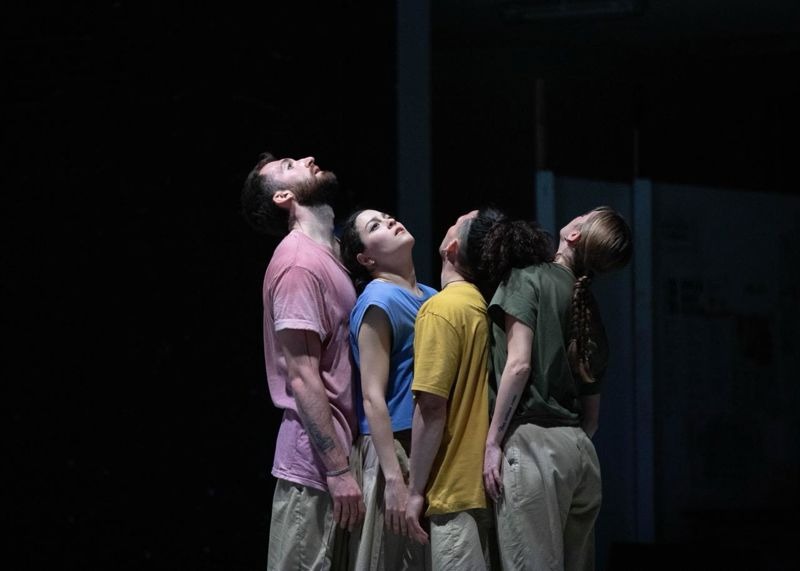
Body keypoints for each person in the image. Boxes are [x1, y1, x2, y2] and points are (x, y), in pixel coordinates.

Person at [477, 206, 632, 571]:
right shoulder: (587, 307)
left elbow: (519, 365)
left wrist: (492, 442)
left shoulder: (526, 278)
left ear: (574, 234)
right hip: (579, 453)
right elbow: (592, 417)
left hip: (534, 447)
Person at [403, 208, 551, 569]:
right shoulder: (486, 308)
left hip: (454, 487)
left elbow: (431, 407)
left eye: (456, 222)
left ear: (451, 247)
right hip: (491, 488)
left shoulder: (441, 309)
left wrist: (414, 491)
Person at [241, 152, 365, 570]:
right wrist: (336, 470)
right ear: (283, 197)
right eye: (290, 165)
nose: (308, 159)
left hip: (345, 462)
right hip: (315, 469)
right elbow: (302, 376)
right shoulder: (298, 264)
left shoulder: (334, 254)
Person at [339, 209, 437, 570]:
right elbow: (372, 396)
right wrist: (393, 479)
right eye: (375, 226)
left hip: (427, 444)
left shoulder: (432, 297)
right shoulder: (378, 301)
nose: (391, 221)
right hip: (393, 450)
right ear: (366, 259)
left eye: (386, 216)